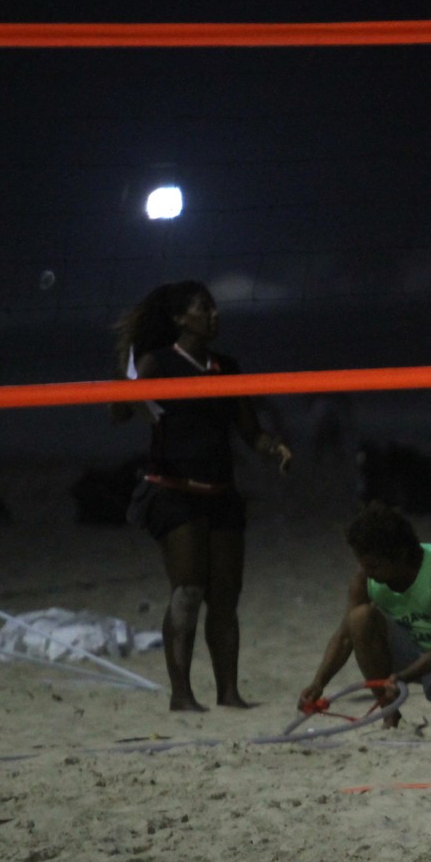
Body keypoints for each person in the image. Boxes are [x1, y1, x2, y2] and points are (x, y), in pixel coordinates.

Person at [112, 280, 292, 712]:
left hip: (221, 493)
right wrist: (127, 388)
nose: (215, 315)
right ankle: (182, 695)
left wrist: (274, 448)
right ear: (180, 318)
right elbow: (117, 411)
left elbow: (249, 431)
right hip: (173, 491)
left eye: (214, 308)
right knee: (187, 592)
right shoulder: (157, 363)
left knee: (225, 599)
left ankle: (228, 693)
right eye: (204, 308)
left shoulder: (226, 368)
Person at [298, 502, 431, 728]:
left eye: (373, 566)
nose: (366, 572)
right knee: (359, 619)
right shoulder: (366, 577)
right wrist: (318, 683)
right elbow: (344, 637)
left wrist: (402, 677)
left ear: (399, 554)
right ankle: (389, 712)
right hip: (415, 654)